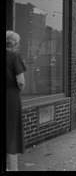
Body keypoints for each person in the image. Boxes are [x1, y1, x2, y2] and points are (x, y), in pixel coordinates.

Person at [6, 30, 27, 171]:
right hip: (10, 97)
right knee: (11, 132)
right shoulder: (14, 56)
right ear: (15, 43)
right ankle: (13, 168)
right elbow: (20, 81)